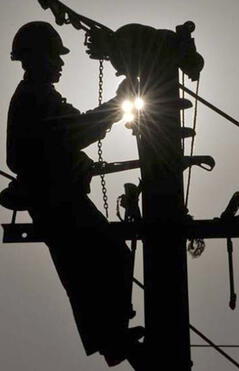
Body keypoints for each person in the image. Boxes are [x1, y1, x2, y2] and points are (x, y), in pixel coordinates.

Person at [6, 21, 143, 368]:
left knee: (89, 269)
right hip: (56, 201)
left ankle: (111, 337)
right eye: (56, 56)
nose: (61, 63)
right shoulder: (33, 98)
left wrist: (74, 160)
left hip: (54, 199)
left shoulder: (36, 97)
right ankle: (112, 337)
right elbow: (73, 131)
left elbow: (62, 137)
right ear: (38, 58)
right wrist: (118, 103)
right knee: (105, 261)